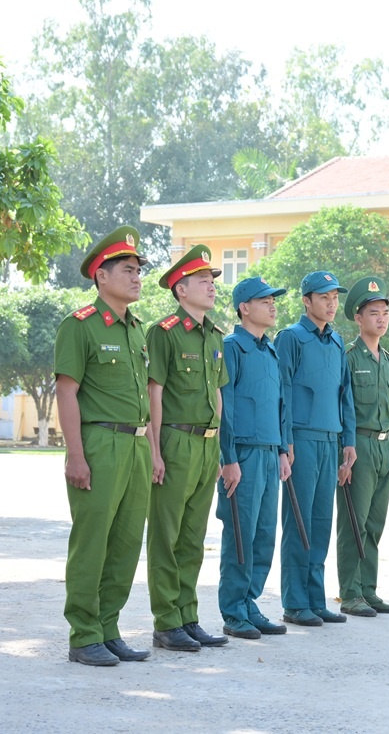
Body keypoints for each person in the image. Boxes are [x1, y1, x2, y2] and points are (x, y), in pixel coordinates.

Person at [54, 225, 153, 666]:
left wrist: (152, 449)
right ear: (102, 277)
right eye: (128, 270)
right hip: (99, 442)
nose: (137, 277)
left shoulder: (136, 330)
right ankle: (83, 634)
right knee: (92, 541)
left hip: (135, 445)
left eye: (138, 271)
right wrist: (76, 454)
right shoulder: (80, 326)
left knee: (127, 542)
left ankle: (108, 627)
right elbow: (66, 392)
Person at [146, 245, 229, 651]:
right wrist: (155, 450)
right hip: (175, 440)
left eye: (212, 281)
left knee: (194, 538)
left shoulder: (215, 334)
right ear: (181, 289)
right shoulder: (163, 333)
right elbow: (154, 393)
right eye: (202, 281)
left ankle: (187, 615)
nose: (211, 287)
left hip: (206, 444)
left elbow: (217, 392)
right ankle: (166, 621)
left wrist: (219, 447)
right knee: (167, 534)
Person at [275, 271, 356, 627]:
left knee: (322, 522)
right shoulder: (290, 338)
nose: (331, 303)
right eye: (324, 297)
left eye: (334, 297)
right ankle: (295, 602)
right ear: (306, 301)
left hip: (330, 439)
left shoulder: (337, 341)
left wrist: (348, 440)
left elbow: (345, 394)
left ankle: (315, 598)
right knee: (299, 521)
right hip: (302, 440)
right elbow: (283, 391)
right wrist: (285, 439)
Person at [217, 277, 293, 640]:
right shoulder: (231, 347)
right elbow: (225, 406)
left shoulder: (270, 350)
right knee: (240, 535)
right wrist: (227, 456)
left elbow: (280, 404)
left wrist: (282, 449)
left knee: (264, 536)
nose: (273, 305)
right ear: (244, 307)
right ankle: (233, 611)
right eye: (265, 301)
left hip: (268, 453)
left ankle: (250, 603)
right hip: (242, 456)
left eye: (274, 301)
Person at [336, 276, 389, 618]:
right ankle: (349, 592)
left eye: (385, 313)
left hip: (381, 450)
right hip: (357, 447)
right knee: (354, 521)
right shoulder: (348, 357)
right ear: (358, 318)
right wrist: (343, 455)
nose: (381, 319)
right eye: (374, 312)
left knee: (375, 523)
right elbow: (341, 407)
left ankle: (369, 590)